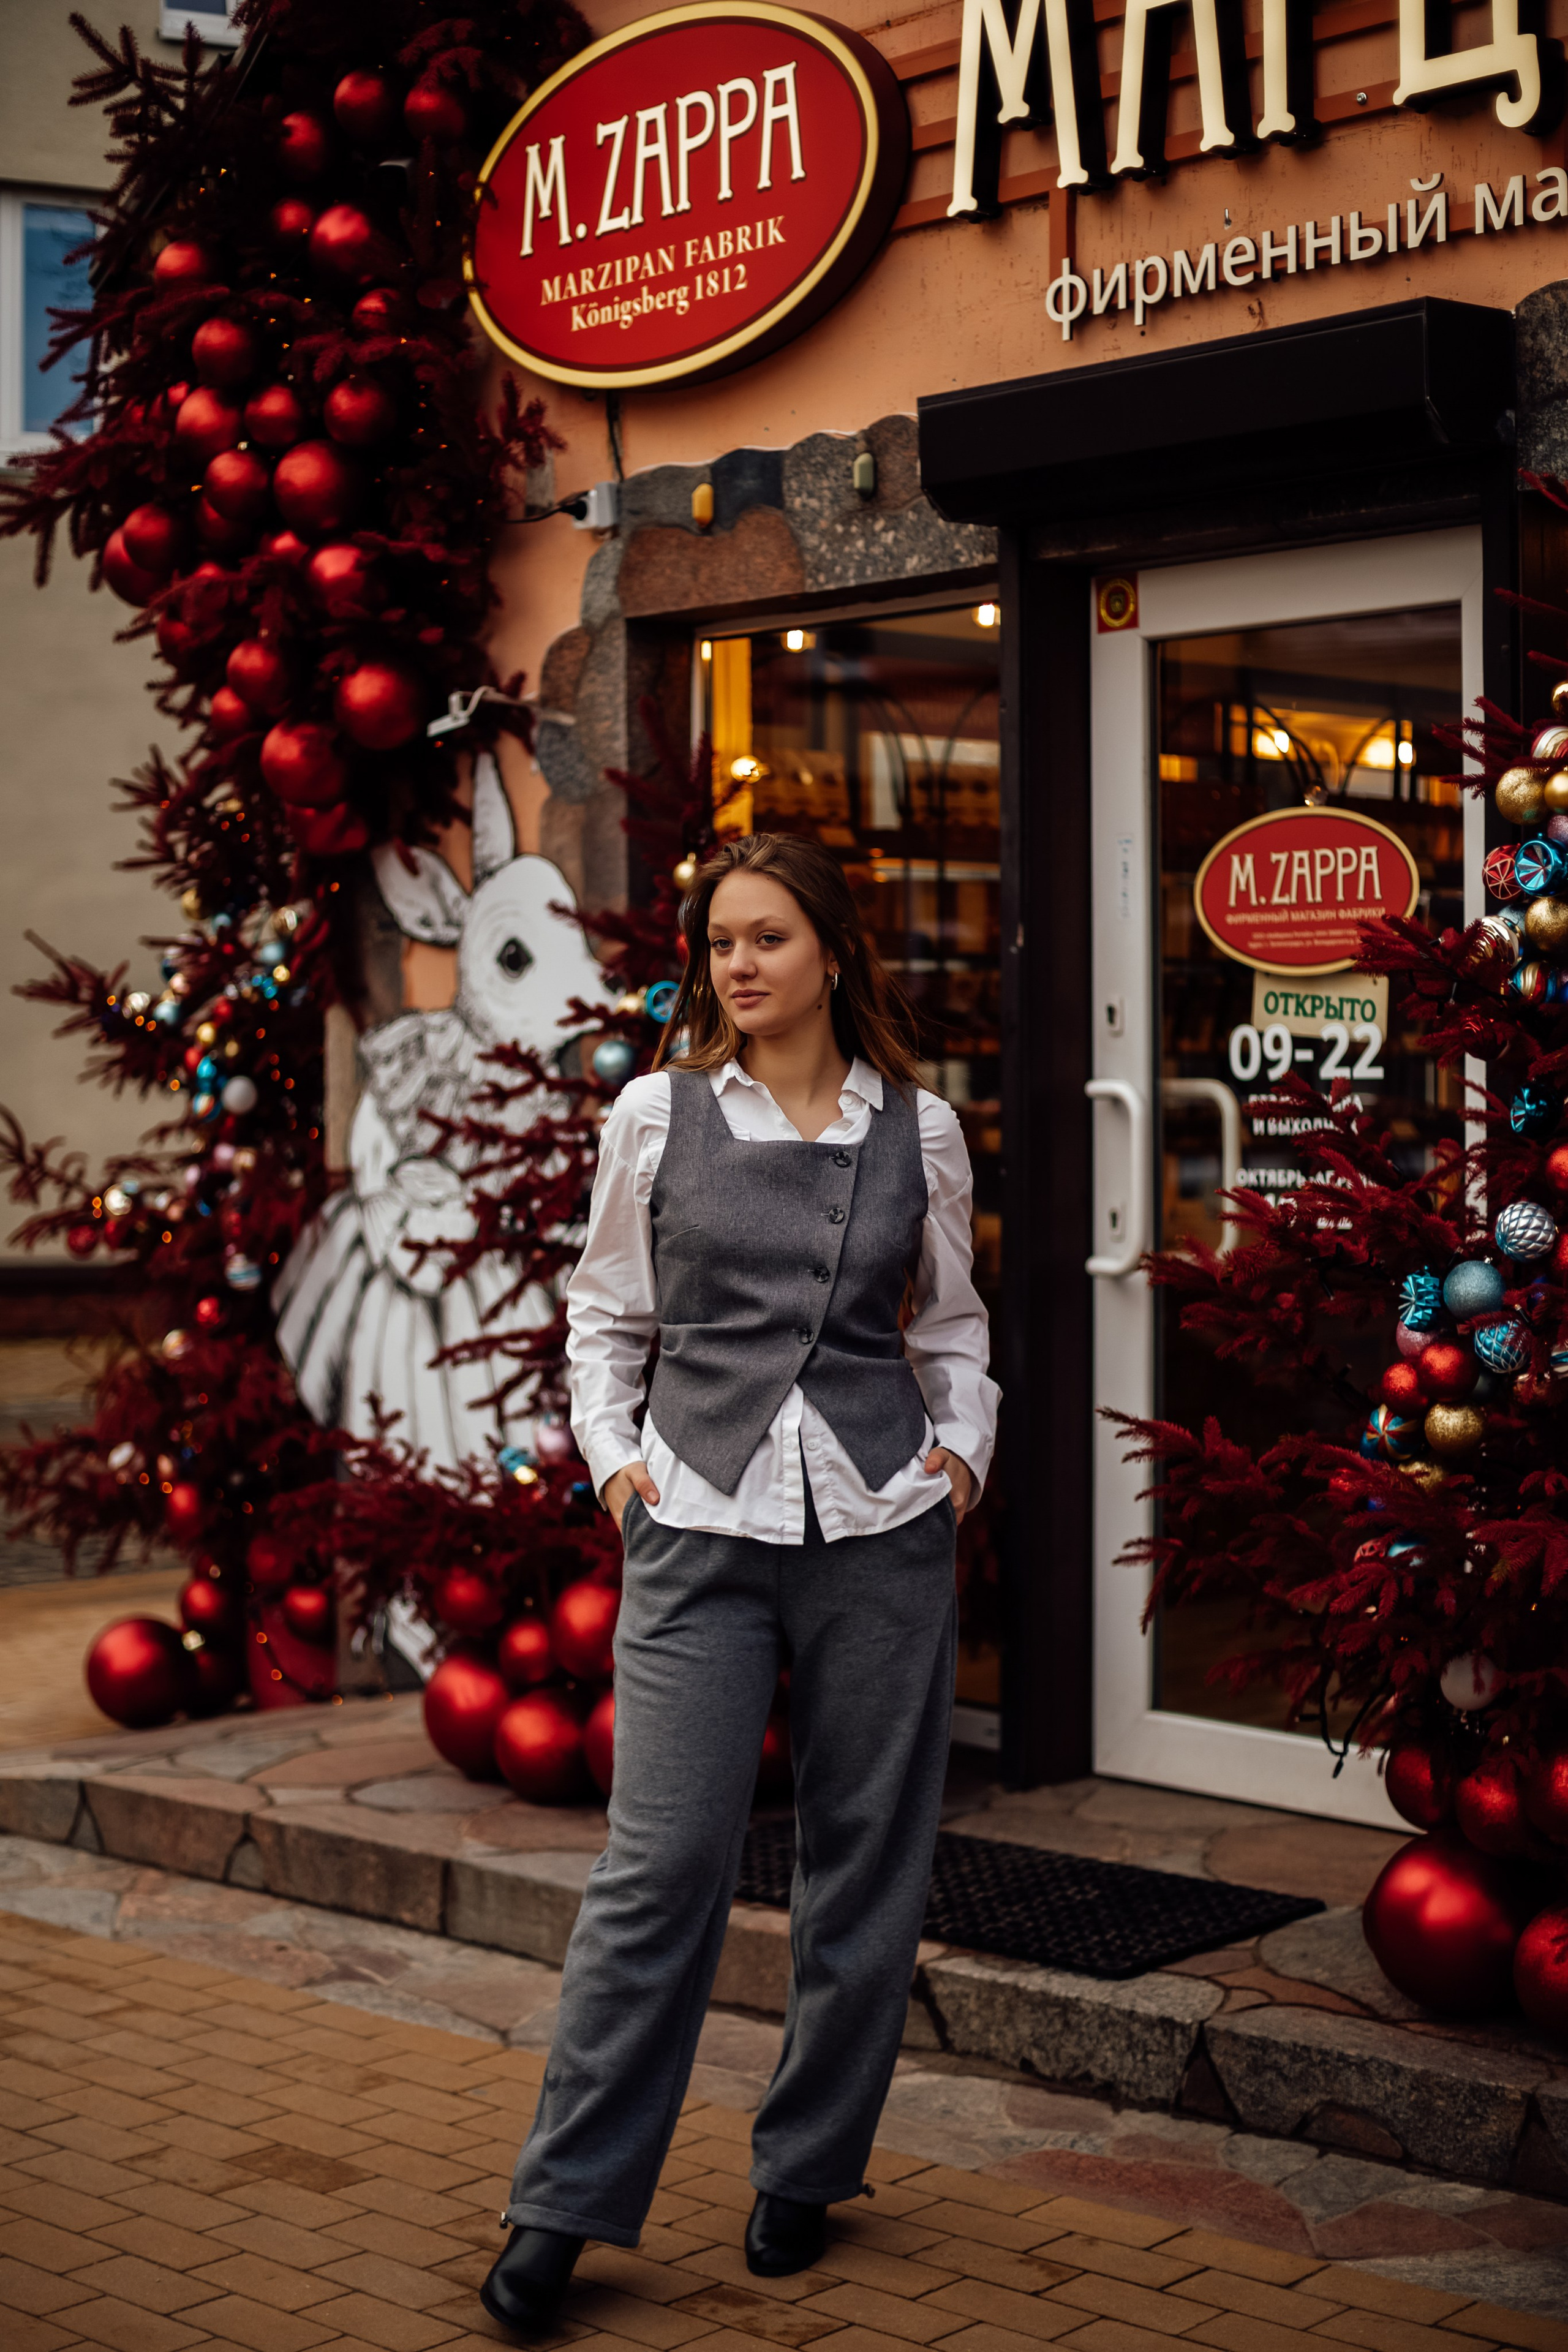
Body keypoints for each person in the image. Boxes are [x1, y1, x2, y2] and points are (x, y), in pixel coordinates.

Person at [482, 832, 999, 2334]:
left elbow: (951, 1331)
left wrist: (954, 1464)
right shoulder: (656, 1115)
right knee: (658, 1874)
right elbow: (601, 1319)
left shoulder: (922, 1130)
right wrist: (620, 1471)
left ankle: (806, 2167)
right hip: (697, 1530)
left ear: (832, 952)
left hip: (876, 1531)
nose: (740, 966)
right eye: (721, 943)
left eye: (768, 938)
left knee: (865, 1868)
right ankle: (562, 2202)